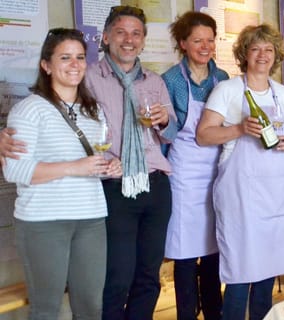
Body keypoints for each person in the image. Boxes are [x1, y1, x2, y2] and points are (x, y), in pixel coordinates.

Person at [3, 27, 121, 320]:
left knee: (91, 307)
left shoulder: (93, 110)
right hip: (43, 221)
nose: (75, 64)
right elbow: (15, 170)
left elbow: (94, 160)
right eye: (65, 57)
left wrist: (108, 166)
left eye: (80, 57)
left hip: (91, 218)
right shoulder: (29, 110)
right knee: (47, 309)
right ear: (46, 65)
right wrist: (75, 168)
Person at [195, 24, 284, 320]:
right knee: (241, 266)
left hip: (277, 189)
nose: (262, 55)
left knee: (269, 264)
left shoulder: (282, 92)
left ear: (276, 55)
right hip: (240, 189)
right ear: (244, 53)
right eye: (255, 48)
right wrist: (239, 129)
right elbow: (203, 135)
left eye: (268, 49)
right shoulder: (228, 89)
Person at [84, 6, 179, 319]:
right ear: (107, 36)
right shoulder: (88, 77)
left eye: (136, 33)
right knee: (117, 277)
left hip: (156, 185)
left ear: (143, 40)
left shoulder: (153, 81)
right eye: (121, 32)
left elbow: (171, 134)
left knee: (149, 276)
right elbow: (69, 127)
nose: (129, 39)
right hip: (114, 187)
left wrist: (166, 121)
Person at [160, 11, 229, 320]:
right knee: (186, 250)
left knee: (215, 246)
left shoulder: (222, 79)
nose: (205, 47)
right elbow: (165, 130)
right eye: (198, 40)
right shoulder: (171, 79)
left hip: (217, 167)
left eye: (210, 41)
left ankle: (214, 310)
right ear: (183, 43)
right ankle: (186, 312)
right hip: (185, 170)